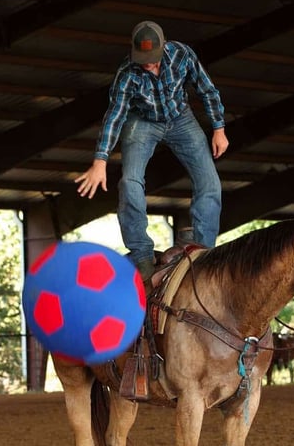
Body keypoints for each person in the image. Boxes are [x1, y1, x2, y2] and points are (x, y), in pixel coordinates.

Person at [75, 20, 229, 283]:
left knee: (210, 182)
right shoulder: (127, 73)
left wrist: (219, 128)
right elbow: (115, 116)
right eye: (143, 59)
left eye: (153, 59)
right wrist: (100, 160)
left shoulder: (182, 54)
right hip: (142, 122)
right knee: (130, 181)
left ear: (163, 47)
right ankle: (141, 255)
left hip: (181, 118)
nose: (148, 64)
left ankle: (204, 248)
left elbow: (206, 89)